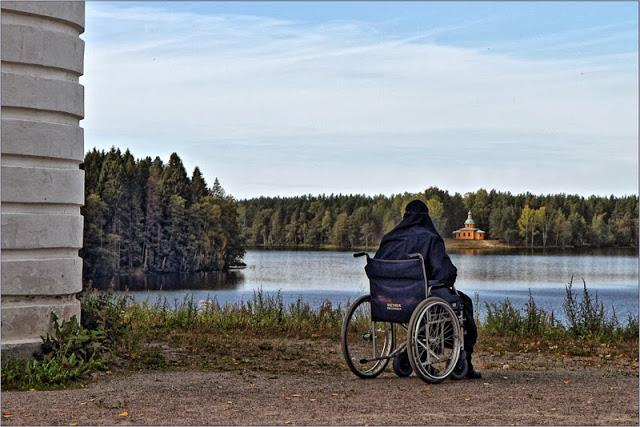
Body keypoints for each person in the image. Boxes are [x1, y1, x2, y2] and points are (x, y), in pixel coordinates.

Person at [375, 199, 481, 379]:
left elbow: (377, 266)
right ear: (426, 218)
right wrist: (448, 275)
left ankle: (417, 353)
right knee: (462, 303)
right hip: (419, 298)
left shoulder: (389, 239)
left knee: (435, 303)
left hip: (387, 299)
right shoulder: (430, 238)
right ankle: (463, 358)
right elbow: (445, 273)